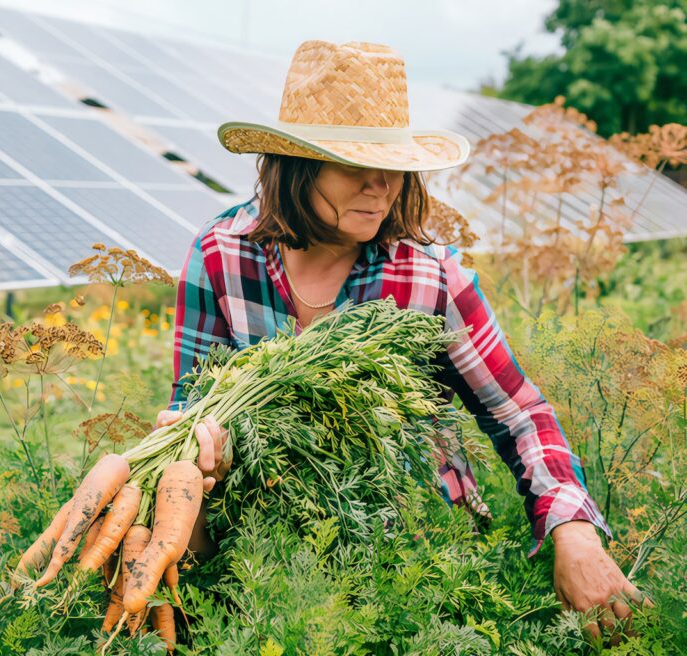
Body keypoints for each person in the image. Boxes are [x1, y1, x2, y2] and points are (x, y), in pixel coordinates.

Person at [158, 39, 651, 646]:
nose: (381, 184)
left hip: (417, 553)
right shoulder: (220, 256)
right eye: (352, 163)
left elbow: (519, 414)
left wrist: (571, 528)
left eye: (393, 163)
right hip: (267, 559)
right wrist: (196, 447)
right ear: (295, 165)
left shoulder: (429, 274)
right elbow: (190, 406)